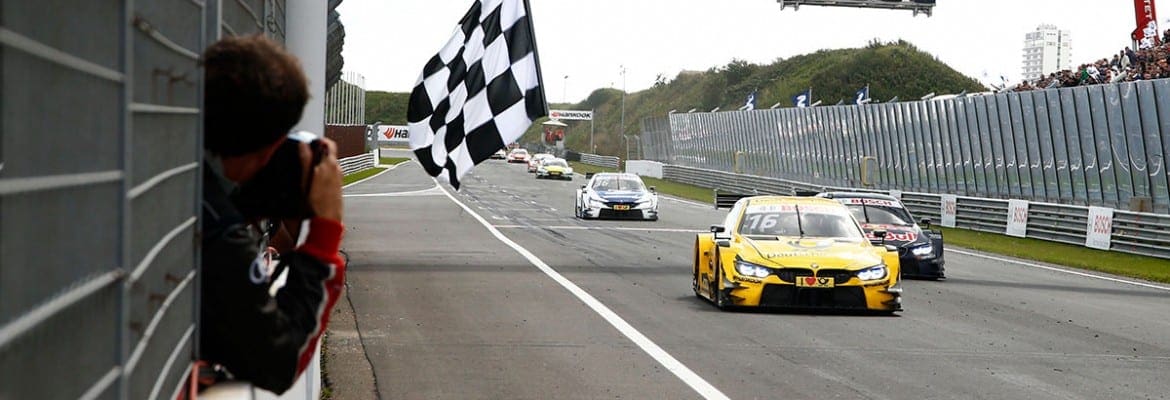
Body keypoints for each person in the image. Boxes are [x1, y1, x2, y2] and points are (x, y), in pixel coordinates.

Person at [196, 34, 346, 394]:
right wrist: (324, 234)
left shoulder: (179, 178)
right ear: (268, 151)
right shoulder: (221, 235)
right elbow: (279, 361)